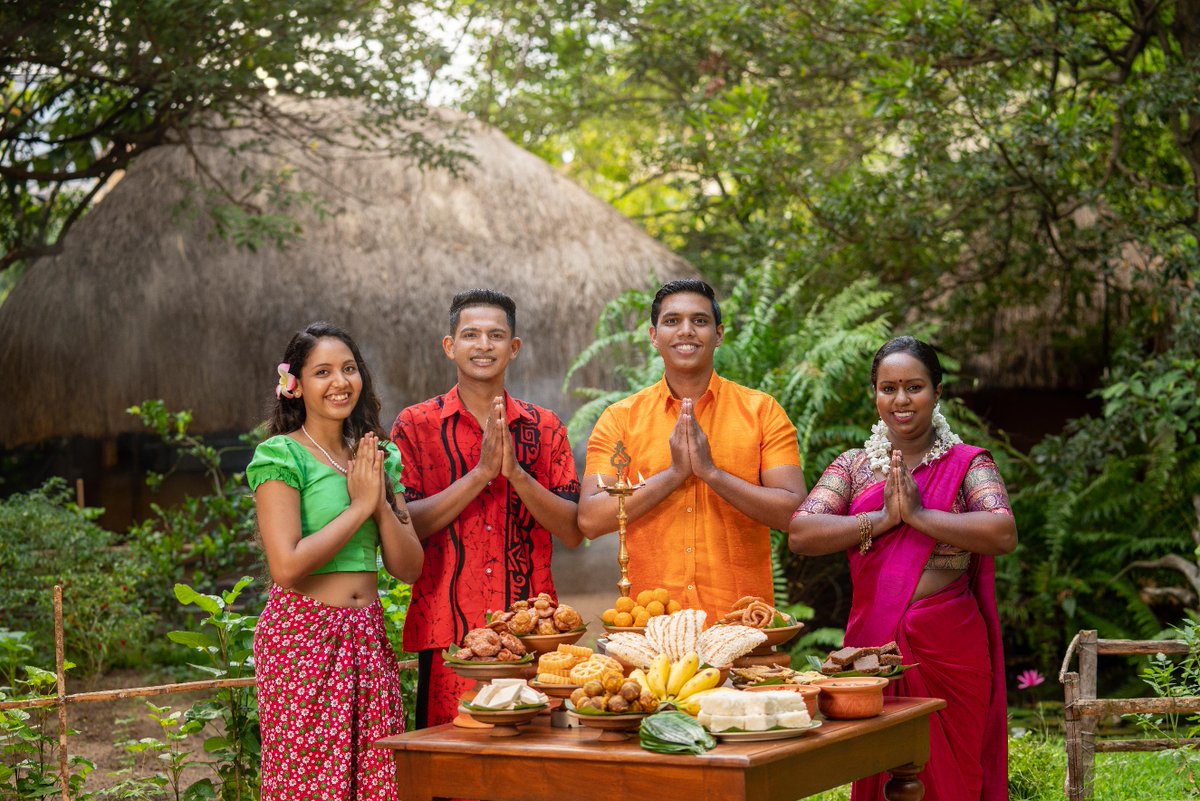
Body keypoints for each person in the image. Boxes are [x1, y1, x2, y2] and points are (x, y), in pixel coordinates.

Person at [788, 336, 1016, 801]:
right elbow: (802, 533)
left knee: (951, 777)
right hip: (875, 652)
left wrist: (920, 516)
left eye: (914, 387)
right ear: (874, 393)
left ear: (936, 392)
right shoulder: (853, 466)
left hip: (951, 649)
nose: (901, 400)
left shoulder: (969, 463)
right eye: (888, 388)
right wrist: (884, 518)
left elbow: (1002, 532)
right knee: (879, 768)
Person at [390, 289, 583, 729]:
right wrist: (479, 474)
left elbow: (572, 530)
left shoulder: (546, 427)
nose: (483, 345)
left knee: (530, 769)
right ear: (450, 346)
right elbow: (407, 526)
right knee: (455, 768)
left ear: (513, 349)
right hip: (448, 635)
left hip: (533, 635)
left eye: (496, 335)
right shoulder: (415, 425)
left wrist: (516, 474)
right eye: (471, 335)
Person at [247, 321, 423, 801]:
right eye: (322, 371)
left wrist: (380, 501)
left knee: (378, 782)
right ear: (295, 386)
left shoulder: (379, 456)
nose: (339, 382)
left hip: (366, 635)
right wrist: (359, 508)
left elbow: (409, 568)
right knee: (309, 784)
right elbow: (286, 566)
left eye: (348, 368)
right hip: (302, 637)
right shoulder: (281, 455)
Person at [577, 279, 807, 622]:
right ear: (654, 336)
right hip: (651, 623)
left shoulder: (761, 411)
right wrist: (673, 475)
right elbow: (591, 520)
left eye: (699, 321)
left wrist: (711, 473)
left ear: (719, 334)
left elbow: (794, 513)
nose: (686, 331)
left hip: (742, 621)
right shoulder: (620, 419)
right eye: (672, 321)